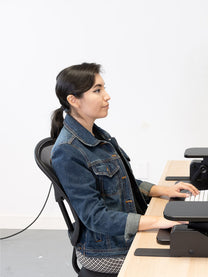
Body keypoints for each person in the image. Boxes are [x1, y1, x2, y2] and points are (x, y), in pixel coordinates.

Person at [50, 63, 199, 274]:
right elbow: (95, 217)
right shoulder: (68, 151)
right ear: (73, 100)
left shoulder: (97, 136)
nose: (107, 96)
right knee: (185, 260)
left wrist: (162, 190)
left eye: (104, 88)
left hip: (119, 238)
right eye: (97, 90)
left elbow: (120, 183)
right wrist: (158, 221)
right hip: (106, 251)